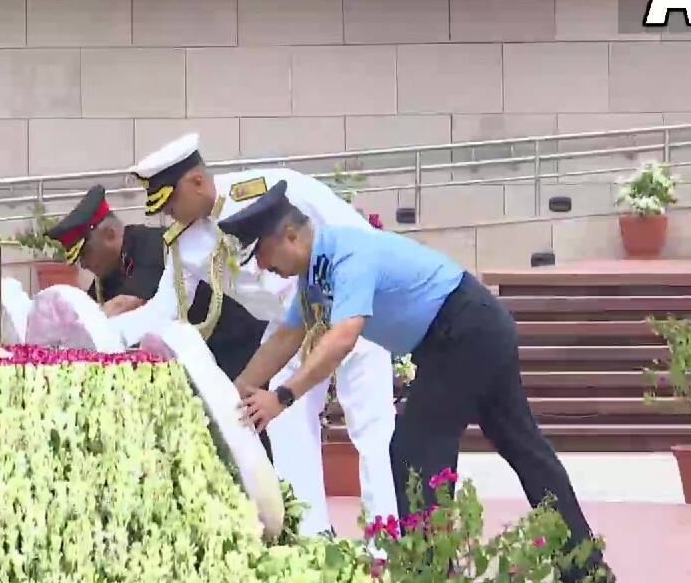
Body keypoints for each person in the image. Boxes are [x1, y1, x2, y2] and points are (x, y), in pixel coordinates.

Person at [222, 181, 612, 583]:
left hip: (464, 330)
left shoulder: (347, 255)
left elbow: (342, 337)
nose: (263, 268)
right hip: (464, 333)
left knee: (415, 450)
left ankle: (427, 572)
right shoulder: (315, 276)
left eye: (264, 255)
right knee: (522, 448)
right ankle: (585, 568)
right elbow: (287, 338)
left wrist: (281, 397)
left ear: (291, 236)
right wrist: (227, 394)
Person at [116, 133, 398, 537]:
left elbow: (353, 232)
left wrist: (370, 296)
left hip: (347, 309)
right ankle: (313, 537)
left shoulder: (277, 188)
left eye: (171, 202)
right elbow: (161, 313)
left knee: (371, 427)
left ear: (196, 182)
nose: (170, 215)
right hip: (288, 336)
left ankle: (386, 545)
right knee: (284, 426)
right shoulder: (187, 246)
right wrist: (94, 328)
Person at [46, 183, 274, 458]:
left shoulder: (153, 245)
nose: (83, 266)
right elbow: (89, 313)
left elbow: (127, 304)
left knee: (242, 427)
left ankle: (268, 493)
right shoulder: (105, 276)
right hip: (197, 355)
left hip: (235, 343)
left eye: (84, 254)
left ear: (109, 233)